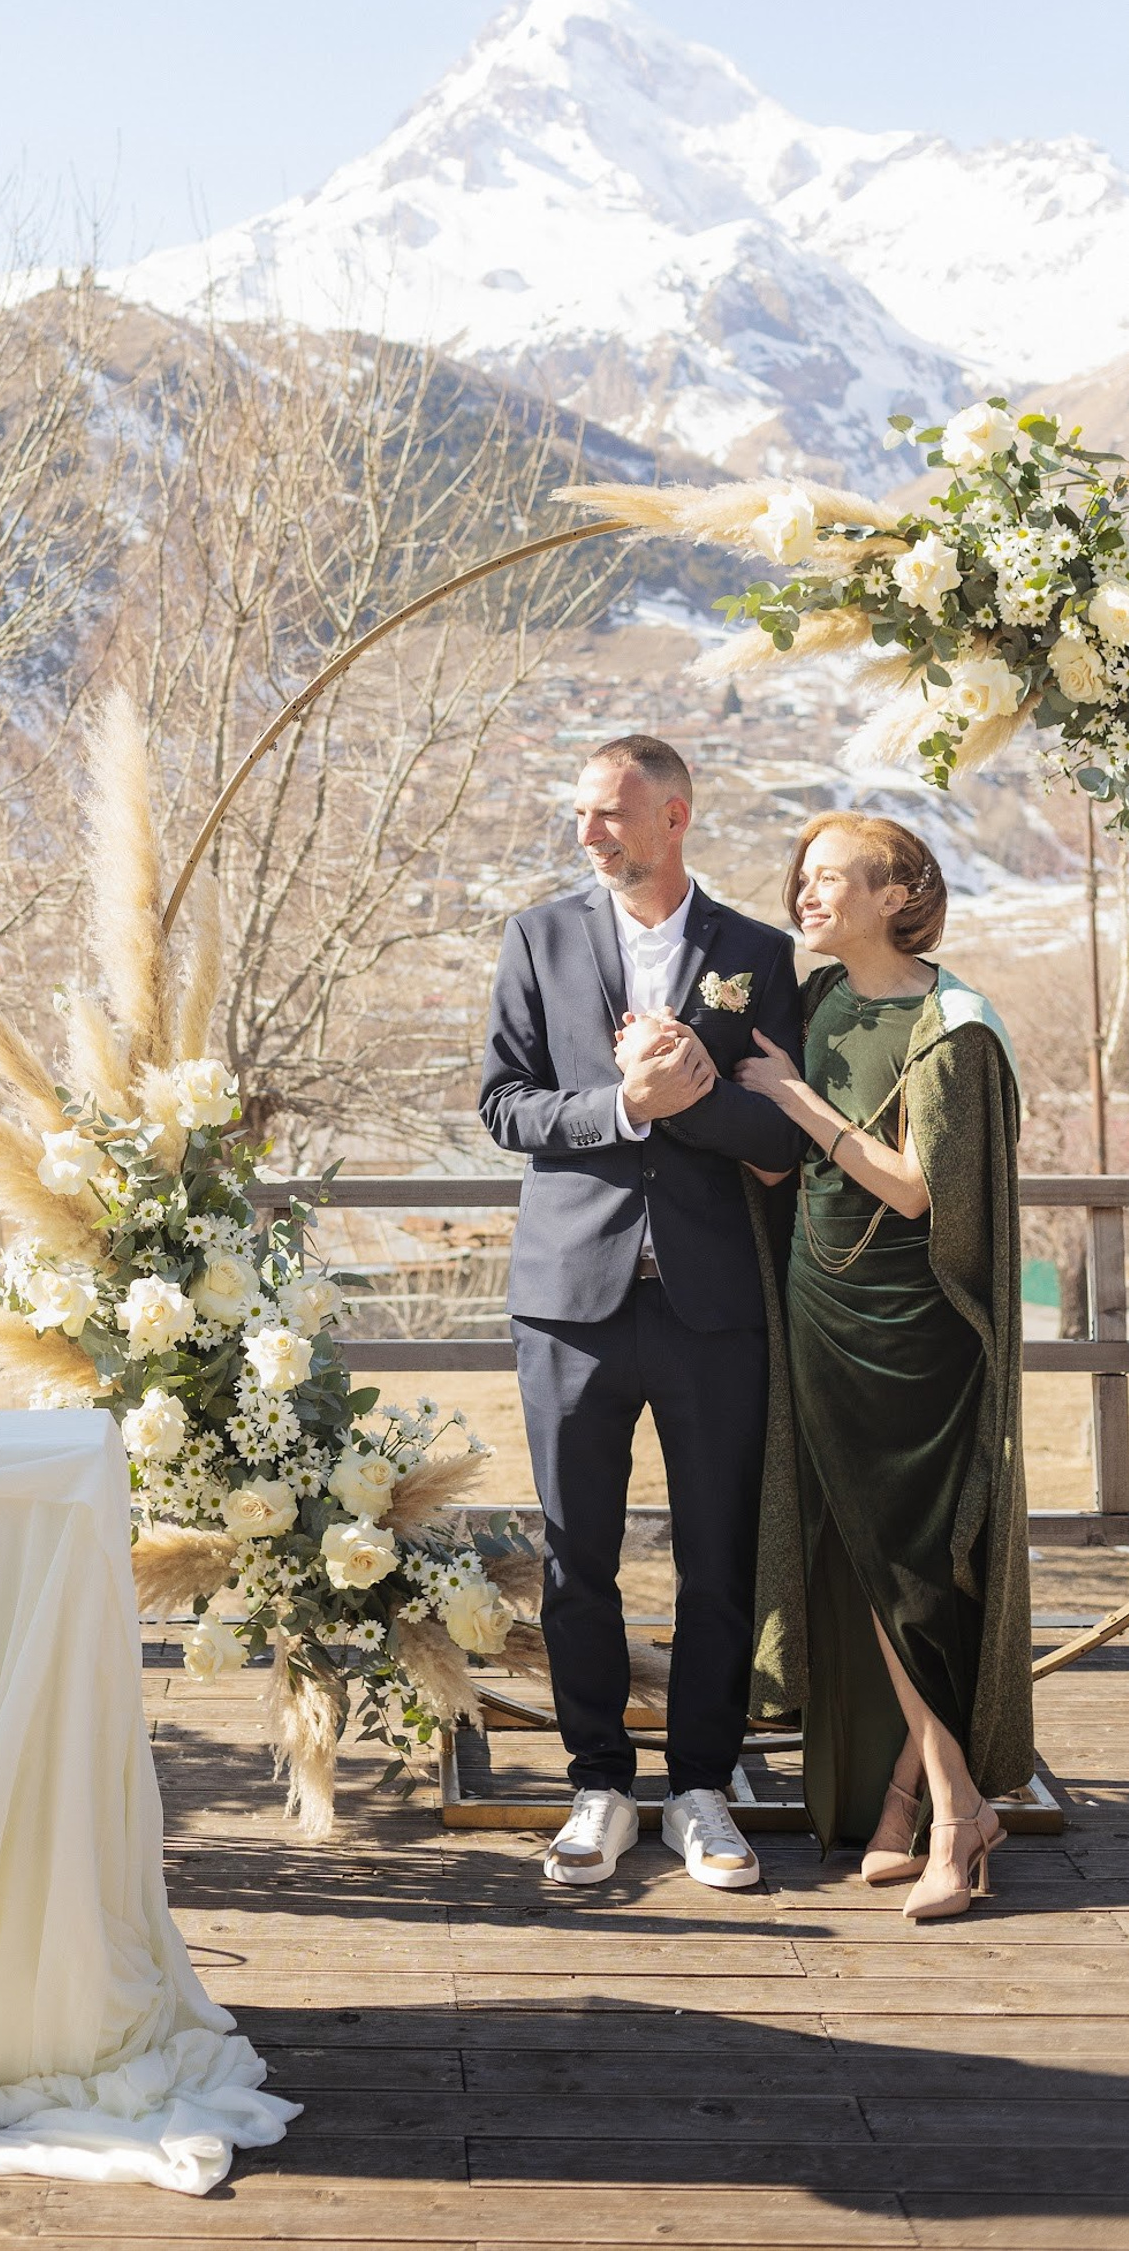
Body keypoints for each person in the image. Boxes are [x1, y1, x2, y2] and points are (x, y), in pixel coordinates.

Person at [479, 734, 803, 1892]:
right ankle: (599, 1785)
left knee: (719, 1556)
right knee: (579, 1560)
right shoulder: (540, 936)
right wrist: (624, 1105)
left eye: (611, 812)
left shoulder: (762, 956)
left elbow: (785, 1139)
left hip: (715, 1307)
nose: (589, 833)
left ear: (675, 816)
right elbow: (506, 1109)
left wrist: (696, 1098)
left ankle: (703, 1789)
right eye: (580, 815)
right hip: (570, 1301)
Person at [735, 813, 1033, 1921]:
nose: (804, 896)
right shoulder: (814, 1005)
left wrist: (791, 1099)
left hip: (918, 1331)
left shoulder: (952, 1026)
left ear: (895, 894)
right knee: (863, 1560)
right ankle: (914, 1792)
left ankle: (957, 1813)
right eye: (801, 878)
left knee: (916, 1566)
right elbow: (780, 1167)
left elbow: (916, 1190)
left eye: (828, 880)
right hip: (823, 1308)